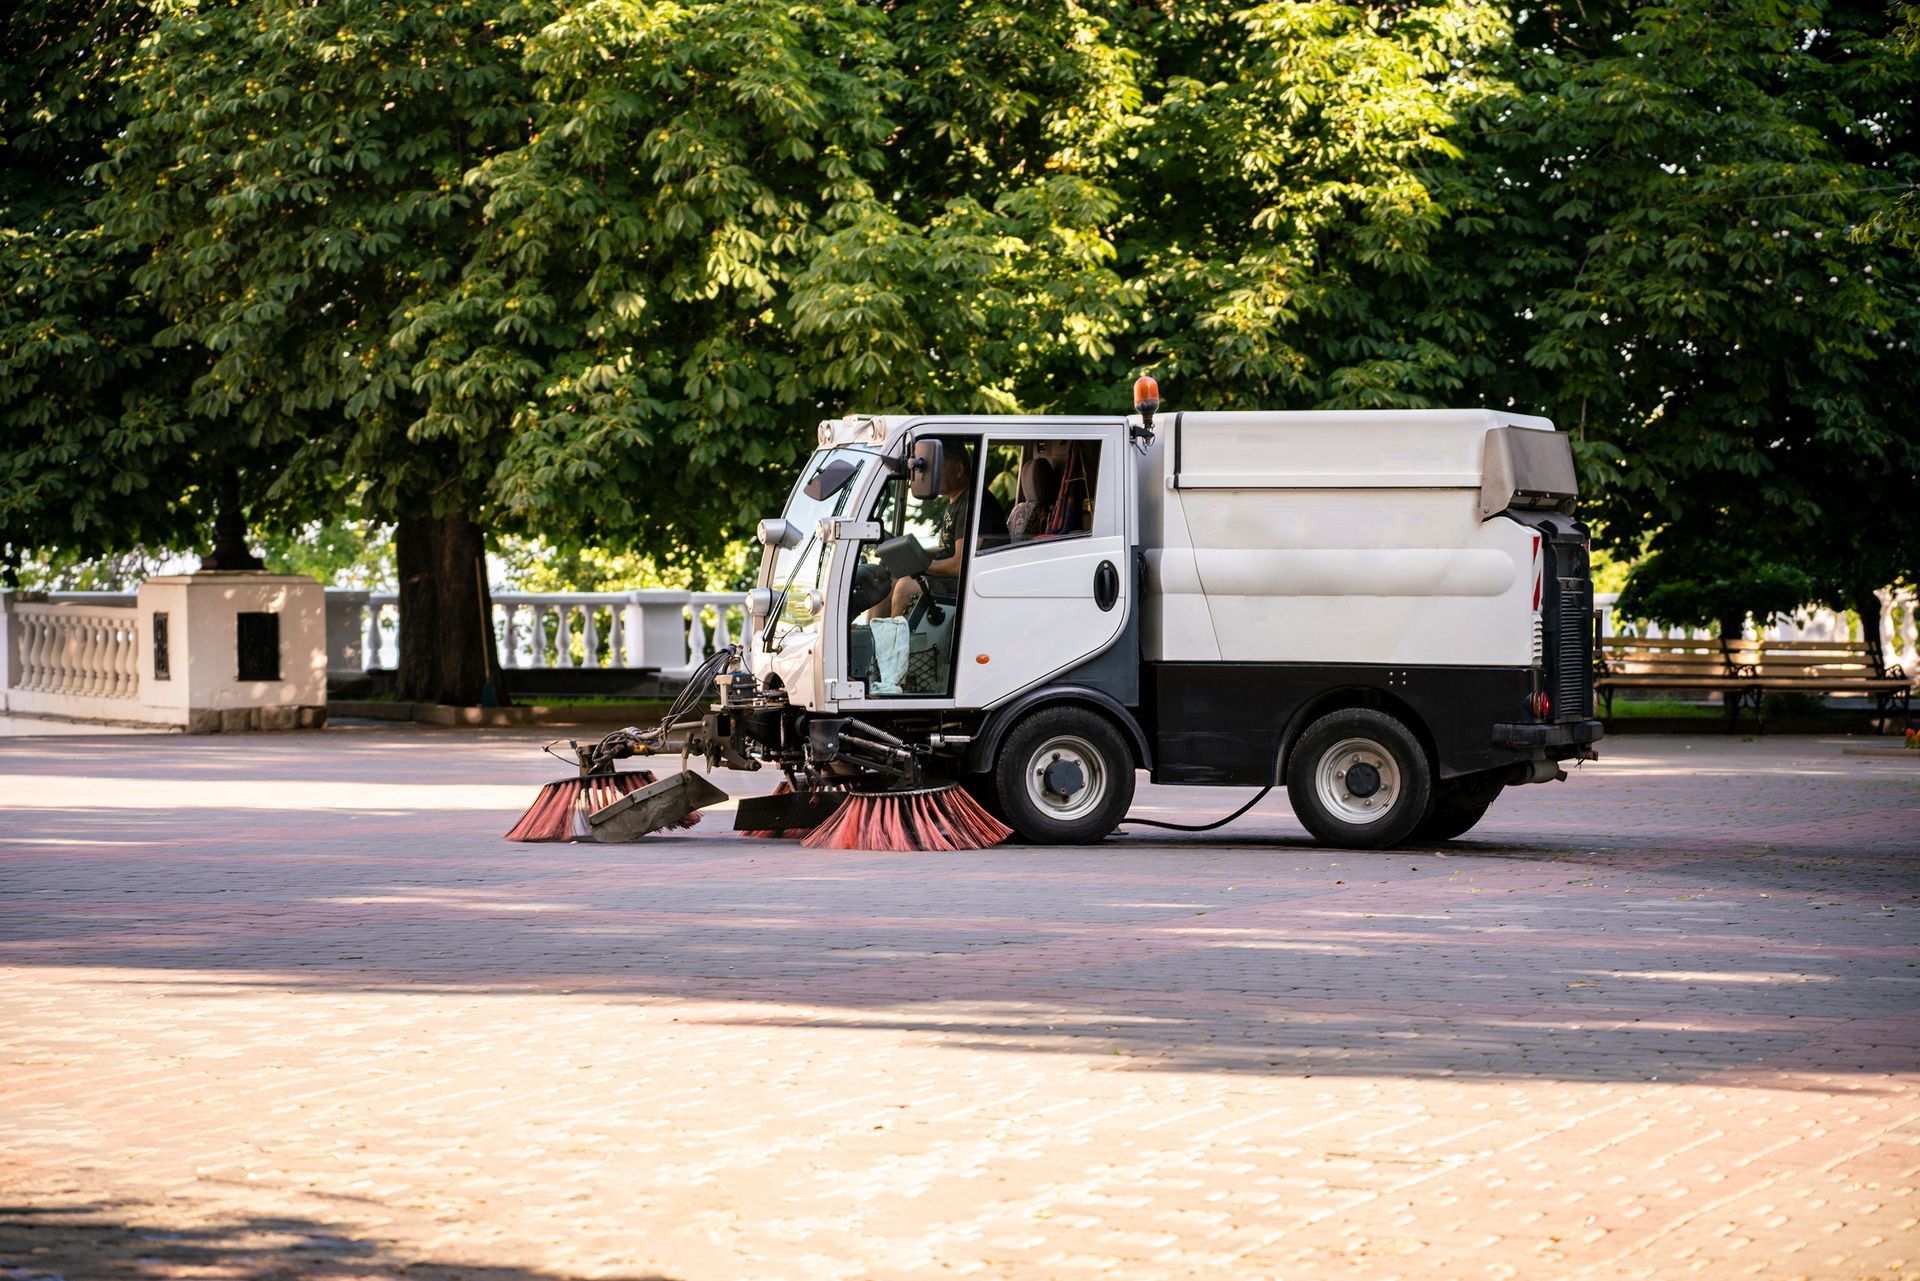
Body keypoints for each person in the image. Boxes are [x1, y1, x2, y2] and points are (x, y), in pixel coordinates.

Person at [874, 444, 1005, 619]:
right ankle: (877, 639)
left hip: (973, 583)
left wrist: (921, 565)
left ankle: (895, 645)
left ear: (958, 469)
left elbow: (960, 565)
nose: (928, 476)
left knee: (906, 586)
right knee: (883, 582)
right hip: (955, 579)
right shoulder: (957, 500)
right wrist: (907, 555)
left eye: (936, 470)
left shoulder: (974, 503)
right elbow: (948, 550)